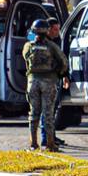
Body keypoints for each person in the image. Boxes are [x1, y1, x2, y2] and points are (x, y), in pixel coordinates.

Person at [23, 17, 68, 151]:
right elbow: (64, 62)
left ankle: (33, 144)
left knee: (33, 114)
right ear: (47, 31)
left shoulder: (28, 46)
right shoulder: (52, 46)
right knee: (48, 114)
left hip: (33, 82)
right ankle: (50, 144)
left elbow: (25, 58)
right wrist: (59, 73)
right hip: (49, 82)